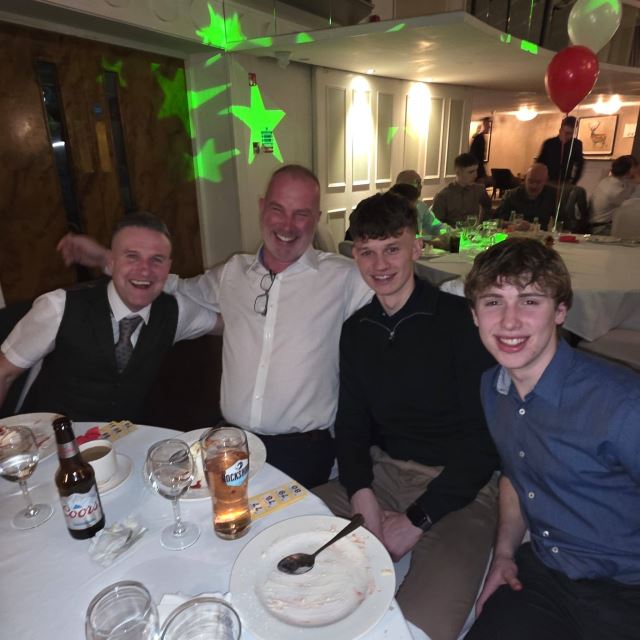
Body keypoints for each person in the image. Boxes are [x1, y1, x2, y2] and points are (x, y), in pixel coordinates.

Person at [57, 165, 373, 488]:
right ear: (262, 207)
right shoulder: (233, 273)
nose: (287, 225)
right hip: (231, 441)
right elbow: (174, 286)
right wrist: (107, 259)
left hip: (303, 451)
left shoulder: (344, 277)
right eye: (277, 209)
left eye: (301, 214)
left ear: (317, 217)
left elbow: (395, 297)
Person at [314, 191, 499, 640]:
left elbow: (485, 440)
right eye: (367, 251)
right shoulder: (356, 331)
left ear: (417, 247)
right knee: (281, 543)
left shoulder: (461, 322)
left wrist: (418, 519)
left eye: (392, 248)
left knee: (421, 626)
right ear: (354, 255)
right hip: (382, 473)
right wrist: (361, 492)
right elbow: (352, 424)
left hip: (461, 490)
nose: (379, 264)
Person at [464, 238, 640, 640]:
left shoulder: (623, 405)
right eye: (493, 302)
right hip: (546, 572)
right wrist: (503, 554)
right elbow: (514, 476)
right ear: (474, 315)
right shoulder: (492, 387)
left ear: (560, 311)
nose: (509, 322)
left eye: (529, 301)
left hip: (628, 588)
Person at [0, 212, 218, 421]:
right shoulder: (58, 307)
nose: (144, 270)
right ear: (111, 261)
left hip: (126, 438)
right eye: (132, 256)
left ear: (168, 267)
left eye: (157, 260)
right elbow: (4, 373)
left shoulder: (177, 311)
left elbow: (230, 321)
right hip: (53, 436)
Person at [432, 153, 492, 226]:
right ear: (458, 172)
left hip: (474, 231)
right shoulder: (443, 196)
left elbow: (488, 210)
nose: (475, 175)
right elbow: (435, 225)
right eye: (471, 172)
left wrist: (482, 224)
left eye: (476, 171)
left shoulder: (479, 190)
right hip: (452, 232)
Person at [495, 163, 557, 230]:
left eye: (538, 182)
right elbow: (495, 221)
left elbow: (563, 223)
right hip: (513, 234)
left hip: (540, 235)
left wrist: (531, 227)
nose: (533, 186)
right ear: (525, 178)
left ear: (546, 181)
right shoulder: (511, 195)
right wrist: (512, 224)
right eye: (530, 181)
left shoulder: (552, 195)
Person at [589, 154, 638, 234]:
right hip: (601, 228)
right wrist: (637, 179)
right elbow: (632, 205)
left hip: (602, 225)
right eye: (635, 167)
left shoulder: (608, 180)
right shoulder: (615, 190)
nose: (637, 169)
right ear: (628, 170)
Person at [394, 169, 447, 238]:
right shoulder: (390, 208)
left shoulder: (420, 206)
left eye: (420, 183)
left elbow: (436, 226)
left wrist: (447, 232)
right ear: (403, 186)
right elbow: (408, 237)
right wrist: (430, 239)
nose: (421, 186)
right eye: (417, 183)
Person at [536, 115, 584, 185]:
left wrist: (574, 182)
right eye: (566, 132)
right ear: (560, 130)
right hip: (548, 180)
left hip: (566, 182)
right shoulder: (549, 143)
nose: (568, 136)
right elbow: (540, 162)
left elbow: (580, 164)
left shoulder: (576, 144)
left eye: (571, 133)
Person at [469, 117, 492, 181]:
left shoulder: (480, 137)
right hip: (477, 168)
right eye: (487, 125)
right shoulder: (479, 138)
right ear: (484, 125)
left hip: (477, 167)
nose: (489, 128)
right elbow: (477, 155)